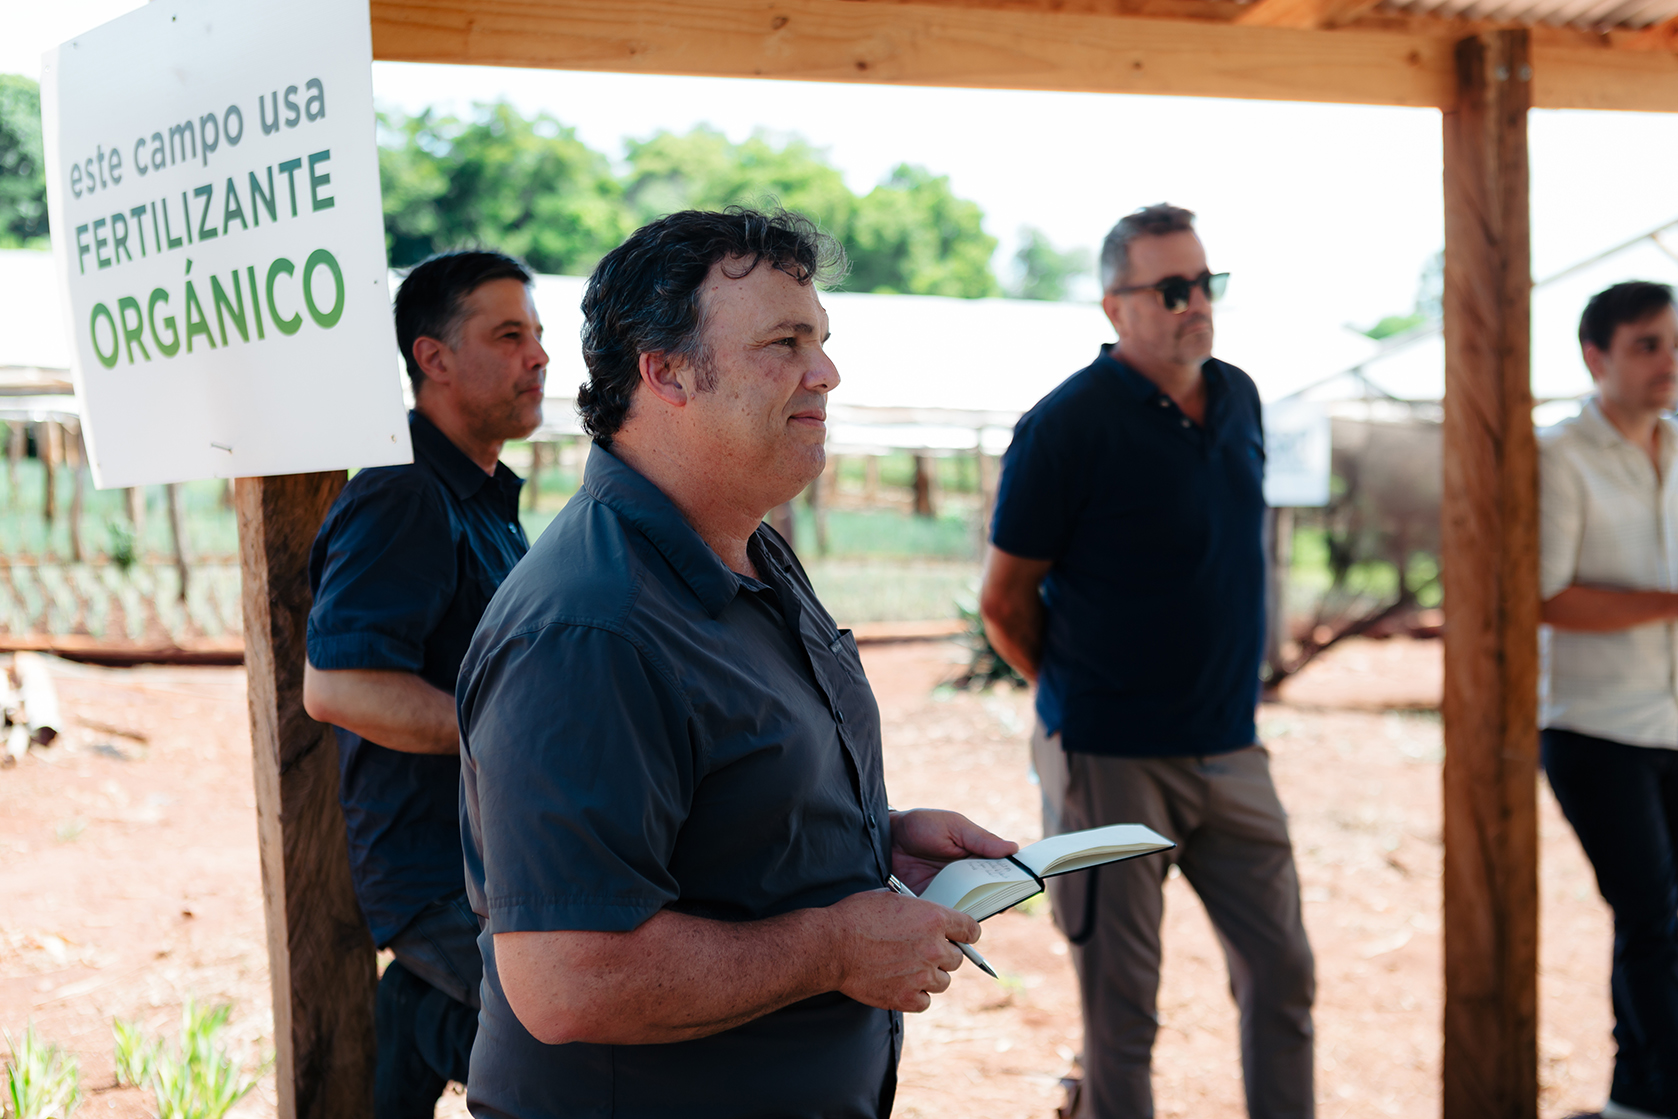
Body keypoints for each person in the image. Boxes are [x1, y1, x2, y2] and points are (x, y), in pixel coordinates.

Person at [455, 208, 1016, 1119]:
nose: (825, 372)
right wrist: (834, 946)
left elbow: (722, 804)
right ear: (666, 370)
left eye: (821, 340)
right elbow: (568, 976)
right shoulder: (590, 626)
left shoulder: (738, 547)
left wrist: (872, 840)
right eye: (785, 342)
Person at [979, 203, 1314, 1119]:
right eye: (1172, 287)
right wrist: (1077, 698)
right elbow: (1005, 604)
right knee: (1123, 1012)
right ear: (1114, 306)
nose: (1195, 303)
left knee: (1284, 976)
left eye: (1206, 283)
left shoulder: (1239, 395)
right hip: (1111, 759)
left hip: (1232, 750)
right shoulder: (1064, 426)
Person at [301, 250, 547, 1119]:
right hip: (435, 873)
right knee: (569, 1046)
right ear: (433, 357)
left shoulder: (478, 497)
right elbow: (338, 687)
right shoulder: (404, 490)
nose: (540, 356)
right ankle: (416, 1018)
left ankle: (415, 1018)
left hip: (490, 858)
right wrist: (512, 740)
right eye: (509, 334)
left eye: (539, 333)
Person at [1540, 280, 1678, 1119]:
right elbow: (1547, 595)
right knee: (1653, 915)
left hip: (1675, 723)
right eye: (1647, 344)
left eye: (1674, 344)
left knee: (1664, 922)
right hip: (1596, 728)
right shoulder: (1559, 455)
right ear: (1596, 355)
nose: (1668, 362)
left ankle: (1637, 1096)